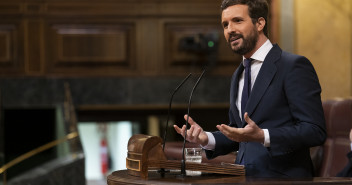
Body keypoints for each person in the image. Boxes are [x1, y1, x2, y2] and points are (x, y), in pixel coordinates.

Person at [174, 0, 326, 177]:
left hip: (283, 179)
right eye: (225, 24)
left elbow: (315, 131)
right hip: (242, 177)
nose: (230, 29)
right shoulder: (239, 73)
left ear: (260, 23)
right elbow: (239, 133)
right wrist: (206, 139)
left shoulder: (293, 66)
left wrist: (263, 135)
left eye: (237, 20)